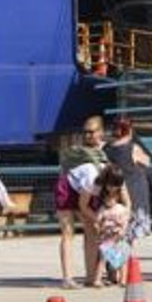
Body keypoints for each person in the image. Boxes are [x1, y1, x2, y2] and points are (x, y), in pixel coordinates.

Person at [56, 116, 108, 289]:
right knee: (68, 232)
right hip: (68, 188)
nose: (88, 135)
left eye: (92, 132)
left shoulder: (102, 156)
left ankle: (91, 276)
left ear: (101, 132)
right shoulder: (85, 160)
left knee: (92, 231)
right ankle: (67, 277)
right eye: (85, 132)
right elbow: (84, 204)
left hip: (84, 190)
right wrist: (97, 217)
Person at [80, 165, 132, 287]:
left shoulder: (119, 185)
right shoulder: (95, 184)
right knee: (103, 256)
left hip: (118, 231)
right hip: (106, 232)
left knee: (120, 256)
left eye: (116, 187)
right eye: (111, 186)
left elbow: (128, 204)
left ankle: (121, 278)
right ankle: (96, 278)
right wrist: (100, 222)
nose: (113, 189)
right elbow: (84, 206)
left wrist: (124, 223)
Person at [103, 118, 151, 244]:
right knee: (130, 234)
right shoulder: (132, 148)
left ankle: (116, 260)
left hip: (114, 195)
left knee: (116, 232)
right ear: (129, 130)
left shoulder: (106, 149)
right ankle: (124, 261)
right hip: (134, 194)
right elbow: (147, 161)